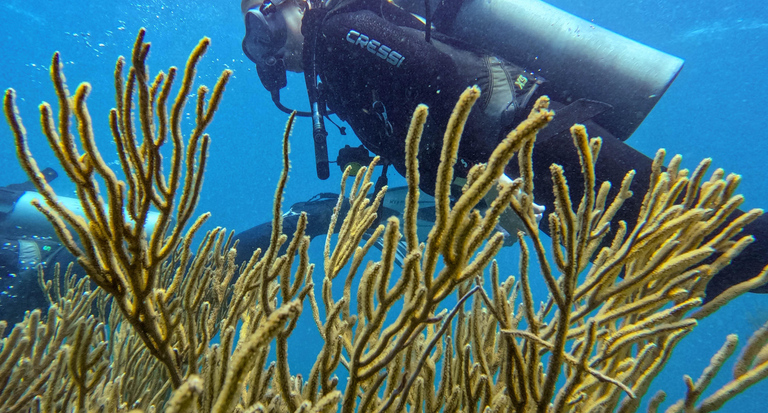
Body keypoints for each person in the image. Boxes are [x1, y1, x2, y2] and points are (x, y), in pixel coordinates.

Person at [238, 0, 768, 299]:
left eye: (262, 22)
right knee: (681, 260)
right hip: (523, 159)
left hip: (540, 142)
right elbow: (408, 115)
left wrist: (491, 177)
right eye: (253, 40)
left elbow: (434, 72)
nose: (265, 46)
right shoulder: (330, 63)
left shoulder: (337, 30)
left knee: (707, 236)